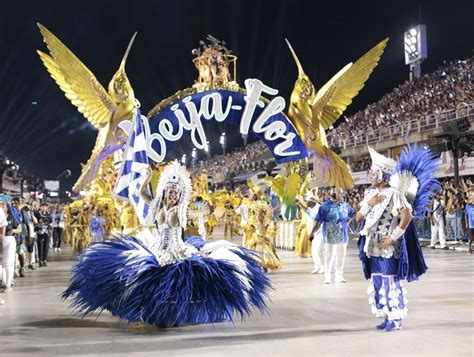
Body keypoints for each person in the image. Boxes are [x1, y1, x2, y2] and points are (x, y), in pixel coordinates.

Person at [63, 161, 271, 327]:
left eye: (175, 193)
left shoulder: (181, 210)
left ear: (180, 195)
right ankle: (152, 309)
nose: (172, 196)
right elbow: (142, 195)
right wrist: (146, 180)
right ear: (165, 192)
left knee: (178, 278)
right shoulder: (158, 205)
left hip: (176, 249)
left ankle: (177, 311)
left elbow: (196, 212)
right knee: (142, 274)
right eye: (169, 192)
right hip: (158, 248)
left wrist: (208, 212)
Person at [356, 145, 439, 332]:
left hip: (388, 247)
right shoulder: (369, 194)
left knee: (390, 281)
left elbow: (407, 216)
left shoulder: (395, 193)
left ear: (382, 175)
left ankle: (396, 318)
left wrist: (393, 237)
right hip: (372, 246)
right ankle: (386, 315)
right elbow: (358, 218)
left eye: (373, 172)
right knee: (377, 281)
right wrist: (369, 204)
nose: (370, 175)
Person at [310, 187, 355, 284]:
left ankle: (339, 275)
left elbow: (351, 214)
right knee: (329, 256)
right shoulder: (324, 207)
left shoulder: (345, 205)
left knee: (341, 256)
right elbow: (318, 221)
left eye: (342, 193)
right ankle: (327, 277)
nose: (342, 195)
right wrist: (312, 233)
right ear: (333, 194)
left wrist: (347, 222)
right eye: (340, 194)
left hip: (343, 236)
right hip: (330, 236)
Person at [1, 201, 22, 294]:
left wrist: (13, 230)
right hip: (0, 240)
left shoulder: (11, 217)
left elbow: (19, 228)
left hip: (9, 240)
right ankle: (3, 281)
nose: (1, 206)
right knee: (2, 264)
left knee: (8, 263)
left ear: (7, 207)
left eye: (3, 204)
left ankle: (8, 285)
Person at [11, 197, 27, 277]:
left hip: (21, 235)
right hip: (12, 236)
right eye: (13, 203)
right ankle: (13, 270)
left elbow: (26, 223)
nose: (14, 205)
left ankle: (22, 268)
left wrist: (28, 236)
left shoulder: (22, 212)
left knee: (20, 253)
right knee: (12, 254)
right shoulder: (10, 212)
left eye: (16, 203)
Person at [34, 203, 52, 267]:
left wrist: (46, 223)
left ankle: (45, 260)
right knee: (40, 246)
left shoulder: (49, 214)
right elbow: (35, 220)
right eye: (42, 206)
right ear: (40, 207)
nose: (44, 208)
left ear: (47, 208)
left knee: (46, 246)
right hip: (39, 232)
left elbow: (50, 222)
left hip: (47, 232)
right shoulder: (37, 213)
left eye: (45, 206)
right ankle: (40, 260)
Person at [464, 187, 474, 254]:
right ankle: (469, 247)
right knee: (471, 237)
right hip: (471, 224)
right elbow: (465, 214)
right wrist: (466, 222)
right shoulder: (468, 205)